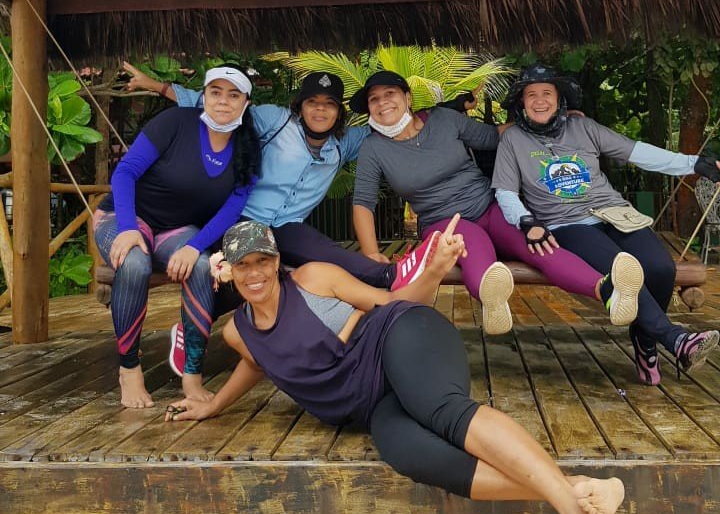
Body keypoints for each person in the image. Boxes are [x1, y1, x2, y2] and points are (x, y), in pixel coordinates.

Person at [167, 218, 623, 514]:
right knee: (407, 452)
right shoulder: (238, 332)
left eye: (262, 261)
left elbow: (393, 304)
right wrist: (213, 405)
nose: (255, 273)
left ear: (276, 261)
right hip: (373, 404)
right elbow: (257, 363)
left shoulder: (313, 279)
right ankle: (579, 489)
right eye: (243, 265)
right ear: (228, 271)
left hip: (401, 335)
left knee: (439, 410)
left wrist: (433, 272)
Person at [121, 63, 459, 371]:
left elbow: (388, 122)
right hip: (244, 219)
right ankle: (194, 325)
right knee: (255, 270)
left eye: (329, 104)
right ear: (300, 106)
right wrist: (157, 86)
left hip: (287, 228)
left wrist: (447, 109)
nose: (320, 110)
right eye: (313, 102)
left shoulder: (343, 145)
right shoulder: (276, 120)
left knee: (315, 251)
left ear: (338, 112)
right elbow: (222, 105)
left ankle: (391, 278)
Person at [351, 71, 644, 336]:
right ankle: (492, 302)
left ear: (407, 98)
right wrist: (371, 252)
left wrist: (553, 119)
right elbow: (363, 202)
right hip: (444, 222)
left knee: (538, 243)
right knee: (473, 247)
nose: (382, 102)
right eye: (374, 99)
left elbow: (493, 137)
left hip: (489, 205)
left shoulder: (443, 119)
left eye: (389, 94)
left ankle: (606, 290)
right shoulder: (373, 149)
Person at [492, 63, 720, 383]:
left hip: (614, 212)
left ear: (559, 99)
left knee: (660, 268)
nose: (539, 101)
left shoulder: (583, 128)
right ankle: (676, 339)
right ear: (521, 102)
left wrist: (693, 164)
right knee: (622, 270)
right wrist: (526, 221)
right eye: (531, 95)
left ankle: (644, 341)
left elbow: (636, 152)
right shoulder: (513, 140)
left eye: (547, 93)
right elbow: (505, 192)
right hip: (567, 223)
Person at [95, 66, 260, 408]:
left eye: (233, 95)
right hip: (125, 217)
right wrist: (128, 227)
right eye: (216, 92)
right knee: (135, 263)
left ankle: (192, 374)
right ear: (204, 96)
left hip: (176, 230)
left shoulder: (248, 147)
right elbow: (125, 172)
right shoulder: (175, 123)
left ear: (246, 103)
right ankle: (129, 368)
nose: (223, 101)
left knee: (200, 266)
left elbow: (232, 208)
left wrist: (195, 246)